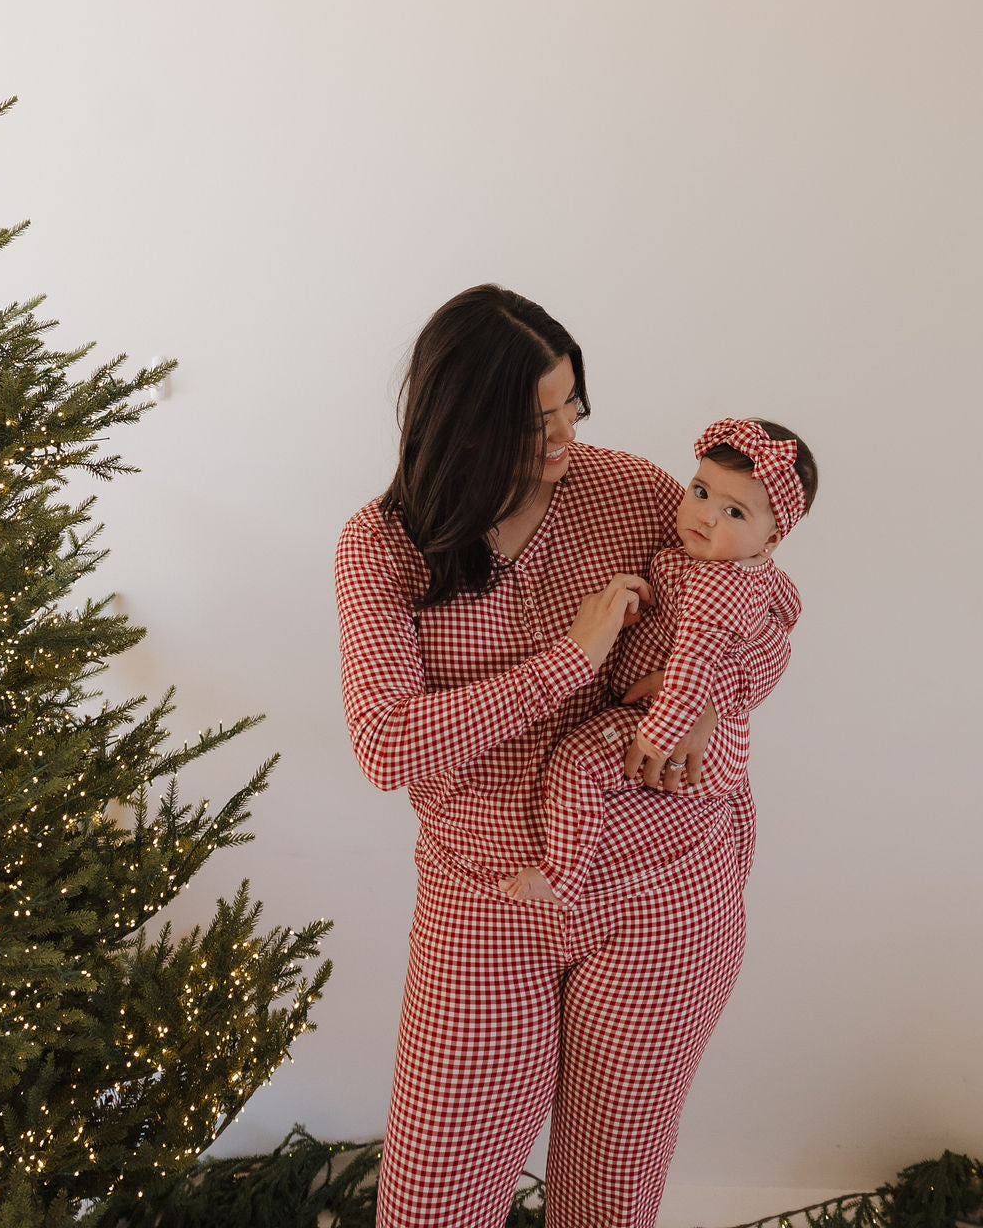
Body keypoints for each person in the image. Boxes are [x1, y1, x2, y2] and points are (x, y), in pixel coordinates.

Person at [335, 286, 796, 1228]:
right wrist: (568, 665)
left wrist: (715, 694)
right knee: (435, 1199)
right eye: (535, 418)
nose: (565, 435)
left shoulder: (627, 490)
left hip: (665, 887)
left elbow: (761, 601)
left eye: (572, 403)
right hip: (489, 900)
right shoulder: (383, 551)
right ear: (460, 420)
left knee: (609, 1194)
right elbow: (387, 743)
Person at [499, 417, 816, 908]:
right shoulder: (725, 567)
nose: (705, 515)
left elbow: (692, 665)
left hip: (679, 729)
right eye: (701, 491)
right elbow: (786, 606)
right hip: (698, 730)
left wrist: (659, 737)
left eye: (734, 512)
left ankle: (561, 876)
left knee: (577, 760)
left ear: (770, 541)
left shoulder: (718, 583)